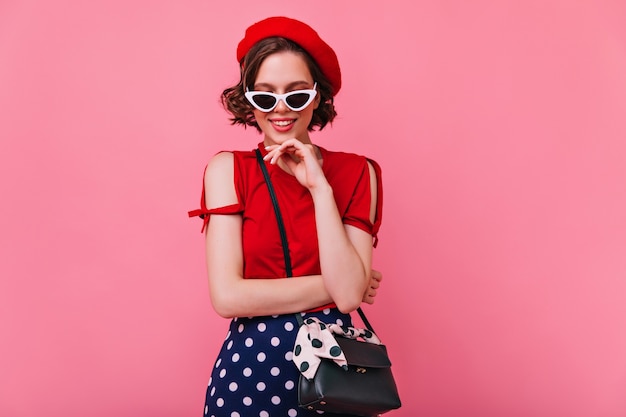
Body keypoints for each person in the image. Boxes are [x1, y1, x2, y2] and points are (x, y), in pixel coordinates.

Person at [189, 16, 384, 417]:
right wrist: (344, 281)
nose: (280, 110)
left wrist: (319, 187)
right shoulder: (228, 170)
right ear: (249, 100)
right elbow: (227, 297)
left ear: (316, 98)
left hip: (339, 377)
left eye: (295, 96)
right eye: (265, 96)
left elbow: (349, 297)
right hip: (250, 375)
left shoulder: (356, 172)